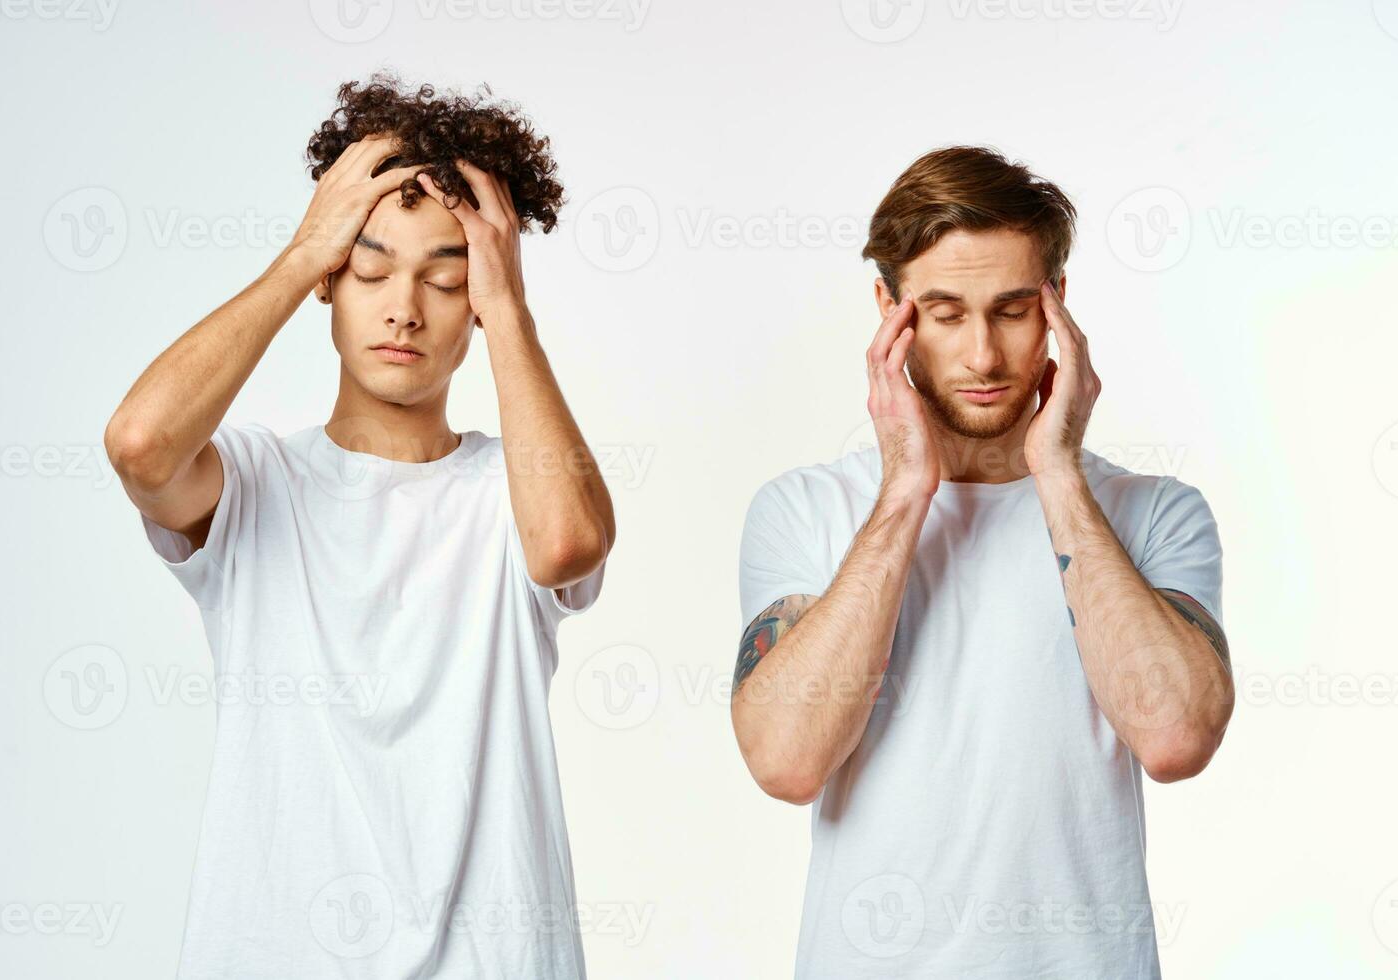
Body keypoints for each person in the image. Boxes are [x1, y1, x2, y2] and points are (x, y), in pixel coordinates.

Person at [104, 75, 613, 978]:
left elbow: (570, 542)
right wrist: (301, 254)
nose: (404, 308)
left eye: (448, 279)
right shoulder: (258, 484)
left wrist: (513, 317)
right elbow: (142, 446)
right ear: (334, 281)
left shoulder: (513, 487)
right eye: (371, 268)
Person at [731, 145, 1233, 978]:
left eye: (1010, 310)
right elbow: (786, 762)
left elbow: (1176, 737)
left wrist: (1060, 475)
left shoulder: (1154, 513)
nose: (983, 357)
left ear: (1058, 310)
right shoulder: (805, 512)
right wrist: (903, 496)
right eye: (944, 313)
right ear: (889, 311)